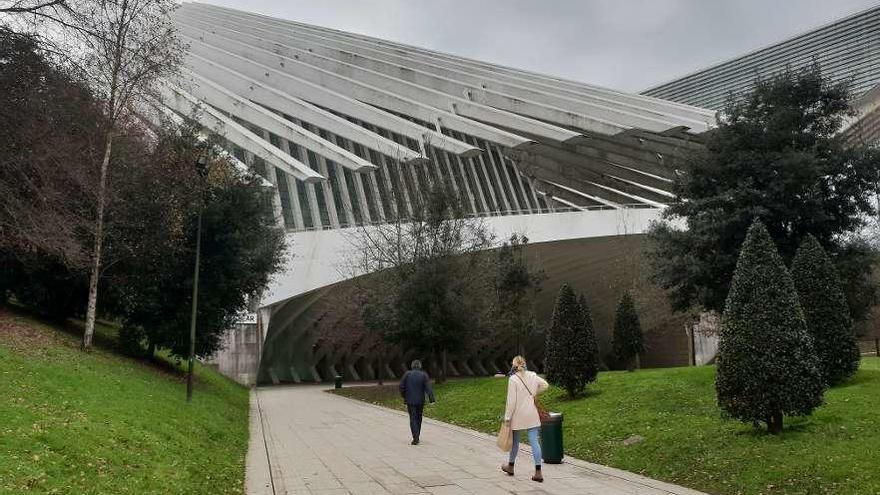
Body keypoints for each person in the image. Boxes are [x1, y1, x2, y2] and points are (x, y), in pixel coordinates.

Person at [501, 355, 549, 482]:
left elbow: (511, 402)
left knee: (515, 442)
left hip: (518, 415)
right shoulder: (533, 375)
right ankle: (538, 472)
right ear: (525, 364)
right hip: (532, 414)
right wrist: (533, 393)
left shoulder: (513, 379)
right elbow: (545, 385)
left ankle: (511, 466)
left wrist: (507, 418)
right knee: (534, 441)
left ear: (514, 365)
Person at [399, 359, 435, 445]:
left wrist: (404, 396)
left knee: (412, 418)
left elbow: (401, 386)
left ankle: (415, 437)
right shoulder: (424, 375)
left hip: (410, 401)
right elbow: (428, 388)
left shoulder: (407, 374)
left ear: (412, 366)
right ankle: (417, 435)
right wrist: (431, 400)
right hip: (420, 401)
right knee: (419, 418)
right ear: (420, 366)